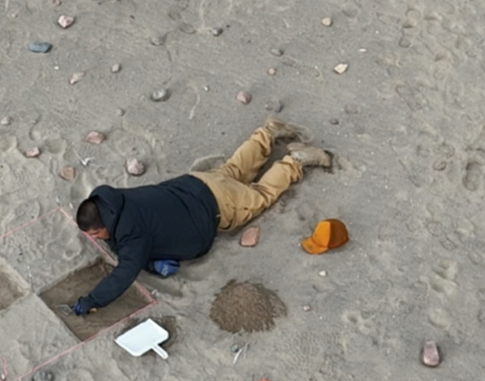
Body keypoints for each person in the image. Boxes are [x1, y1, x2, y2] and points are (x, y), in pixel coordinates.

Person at [72, 121, 331, 314]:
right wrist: (151, 264)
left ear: (105, 224)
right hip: (196, 183)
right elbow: (129, 246)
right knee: (233, 169)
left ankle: (295, 161)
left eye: (95, 234)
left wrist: (91, 301)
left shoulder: (132, 237)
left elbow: (123, 272)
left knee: (260, 195)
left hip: (218, 207)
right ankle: (266, 134)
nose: (94, 239)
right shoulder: (111, 198)